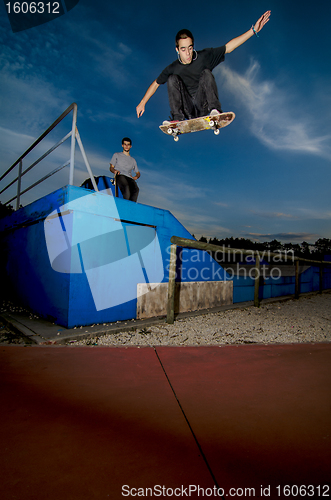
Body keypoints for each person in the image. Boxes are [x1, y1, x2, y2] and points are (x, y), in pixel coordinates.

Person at [136, 11, 270, 122]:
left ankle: (214, 111)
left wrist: (253, 31)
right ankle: (177, 118)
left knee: (206, 72)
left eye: (190, 48)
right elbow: (156, 83)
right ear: (177, 50)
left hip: (204, 106)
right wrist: (142, 103)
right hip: (186, 110)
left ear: (193, 46)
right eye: (183, 50)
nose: (188, 53)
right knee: (171, 78)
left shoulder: (204, 56)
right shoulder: (173, 67)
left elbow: (228, 47)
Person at [109, 138, 140, 202]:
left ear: (130, 146)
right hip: (120, 175)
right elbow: (111, 167)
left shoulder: (133, 160)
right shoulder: (116, 155)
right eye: (125, 144)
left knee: (136, 190)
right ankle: (124, 204)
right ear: (122, 145)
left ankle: (131, 206)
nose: (126, 146)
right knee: (126, 188)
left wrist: (136, 177)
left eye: (128, 145)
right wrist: (114, 171)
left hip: (129, 177)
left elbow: (138, 172)